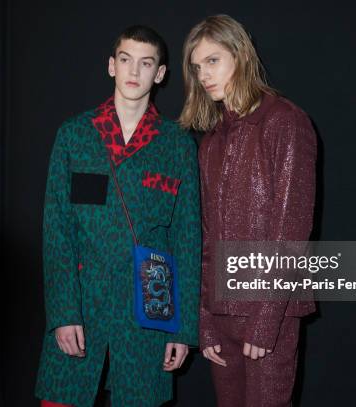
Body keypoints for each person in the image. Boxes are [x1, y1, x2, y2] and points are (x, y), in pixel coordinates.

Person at [35, 25, 201, 407]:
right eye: (126, 60)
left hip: (147, 308)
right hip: (83, 299)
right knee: (62, 397)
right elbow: (56, 230)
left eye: (146, 64)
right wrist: (63, 313)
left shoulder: (176, 143)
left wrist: (183, 328)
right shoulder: (75, 135)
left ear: (160, 74)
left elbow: (188, 239)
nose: (134, 72)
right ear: (111, 65)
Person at [179, 15, 317, 407]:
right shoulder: (211, 141)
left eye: (212, 61)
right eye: (196, 66)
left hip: (268, 313)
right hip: (222, 313)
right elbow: (207, 237)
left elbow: (291, 232)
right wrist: (204, 320)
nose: (203, 75)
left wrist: (265, 319)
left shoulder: (284, 122)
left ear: (240, 56)